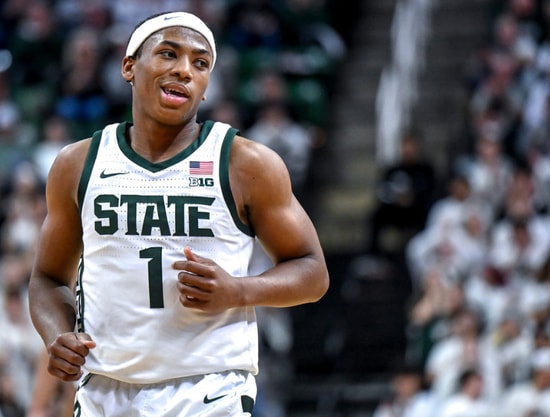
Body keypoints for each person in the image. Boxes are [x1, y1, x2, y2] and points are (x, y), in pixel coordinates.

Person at [27, 10, 329, 417]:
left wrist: (239, 291)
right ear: (129, 66)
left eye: (200, 63)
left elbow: (312, 271)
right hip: (105, 389)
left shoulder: (246, 163)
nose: (184, 70)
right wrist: (57, 335)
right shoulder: (78, 164)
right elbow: (47, 278)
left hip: (209, 388)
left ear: (206, 88)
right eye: (168, 54)